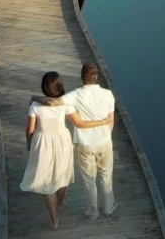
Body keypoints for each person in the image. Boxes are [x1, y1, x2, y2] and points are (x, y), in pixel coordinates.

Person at [21, 71, 113, 229]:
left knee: (46, 182)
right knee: (63, 173)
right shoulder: (65, 104)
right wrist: (104, 121)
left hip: (43, 142)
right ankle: (61, 202)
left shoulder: (35, 106)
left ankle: (54, 220)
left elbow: (29, 129)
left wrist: (29, 144)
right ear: (60, 86)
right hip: (62, 141)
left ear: (43, 87)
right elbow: (80, 123)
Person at [62, 62, 118, 220]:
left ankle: (92, 211)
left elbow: (61, 106)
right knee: (106, 175)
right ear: (96, 77)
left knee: (89, 179)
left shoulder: (73, 96)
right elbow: (111, 120)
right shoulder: (107, 94)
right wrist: (105, 133)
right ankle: (108, 207)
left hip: (85, 144)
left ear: (82, 77)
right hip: (105, 141)